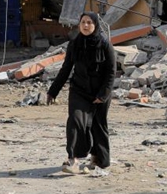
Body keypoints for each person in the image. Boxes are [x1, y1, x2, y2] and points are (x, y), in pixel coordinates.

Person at [48, 12, 116, 174]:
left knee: (98, 126)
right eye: (83, 22)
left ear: (95, 25)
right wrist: (53, 91)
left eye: (89, 23)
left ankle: (97, 155)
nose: (85, 26)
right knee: (75, 121)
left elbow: (111, 72)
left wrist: (103, 94)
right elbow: (66, 69)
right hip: (79, 90)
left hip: (100, 92)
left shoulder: (105, 45)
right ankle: (73, 158)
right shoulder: (74, 44)